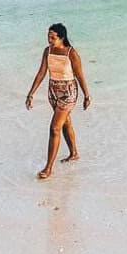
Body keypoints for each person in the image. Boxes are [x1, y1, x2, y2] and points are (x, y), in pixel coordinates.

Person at [25, 23, 91, 179]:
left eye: (53, 37)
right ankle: (74, 153)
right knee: (65, 122)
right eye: (48, 36)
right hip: (53, 91)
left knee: (55, 128)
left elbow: (80, 75)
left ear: (62, 38)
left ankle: (48, 168)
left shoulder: (71, 53)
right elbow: (41, 73)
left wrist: (86, 95)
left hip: (68, 92)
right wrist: (31, 93)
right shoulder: (47, 51)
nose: (49, 40)